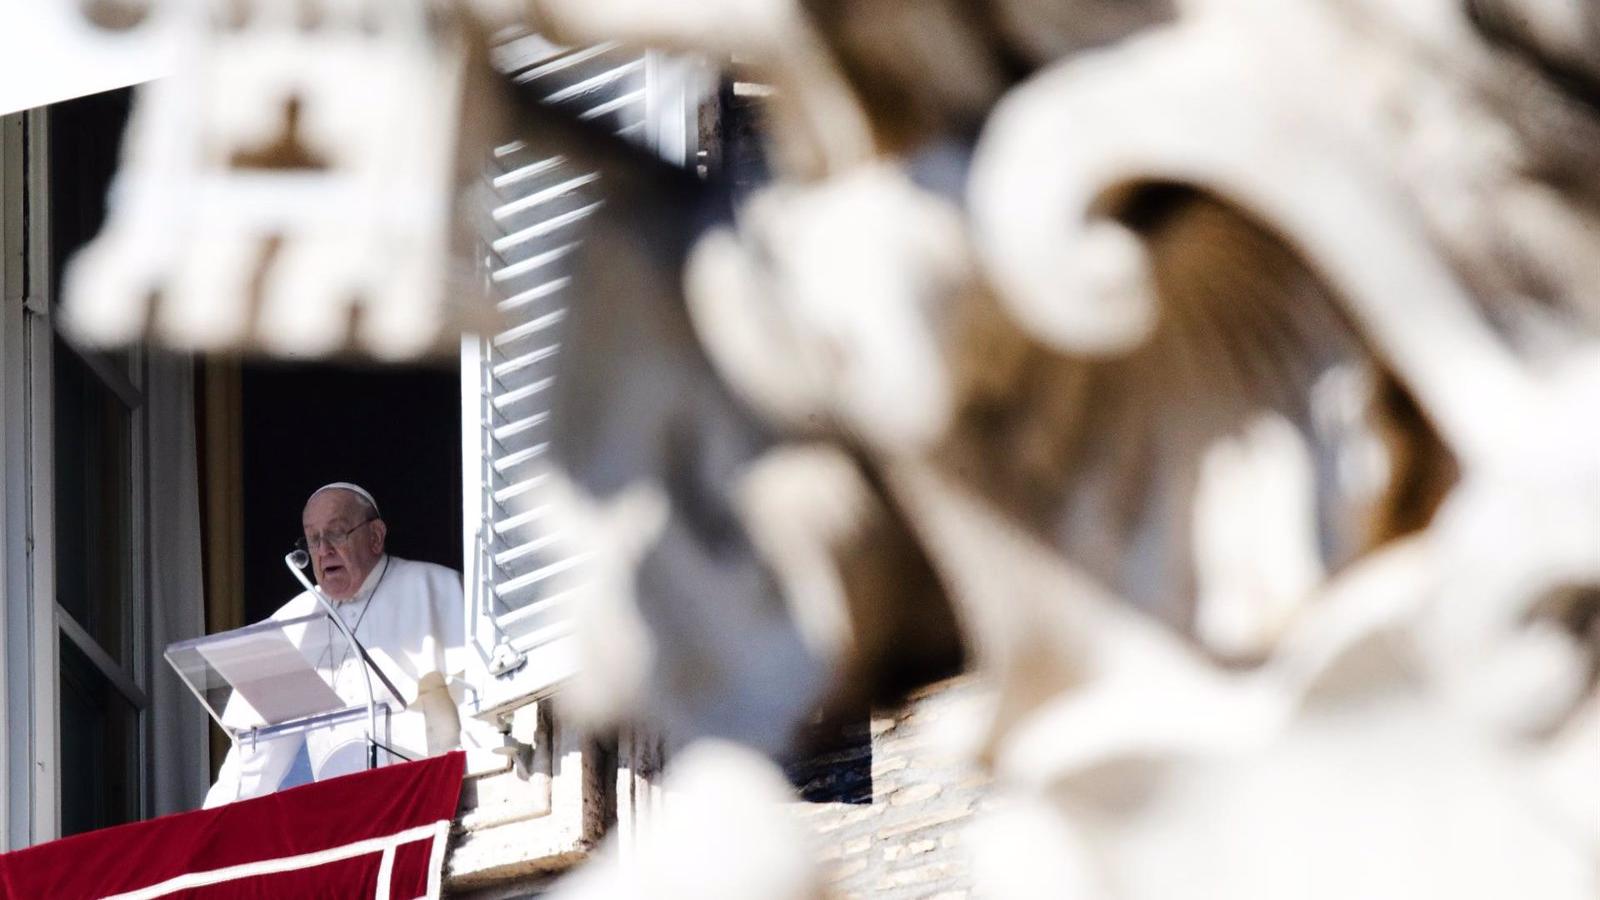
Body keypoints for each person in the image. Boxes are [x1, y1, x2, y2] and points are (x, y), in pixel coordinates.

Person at [203, 482, 487, 807]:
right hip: (335, 815)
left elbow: (477, 707)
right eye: (313, 539)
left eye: (336, 533)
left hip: (429, 801)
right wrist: (210, 825)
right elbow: (256, 755)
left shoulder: (437, 589)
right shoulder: (291, 623)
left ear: (376, 536)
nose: (323, 550)